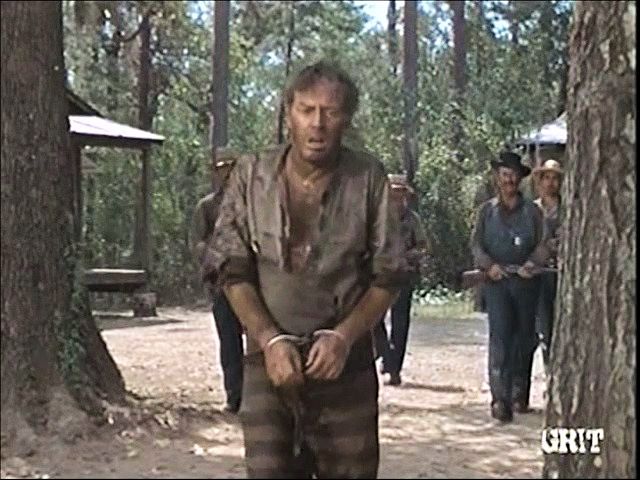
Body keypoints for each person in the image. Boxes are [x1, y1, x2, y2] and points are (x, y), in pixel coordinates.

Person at [201, 61, 413, 478]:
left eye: (330, 112)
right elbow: (230, 269)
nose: (317, 124)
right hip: (268, 366)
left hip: (345, 368)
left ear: (346, 119)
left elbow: (389, 274)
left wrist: (344, 337)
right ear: (288, 113)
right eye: (306, 109)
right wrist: (268, 338)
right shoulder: (252, 175)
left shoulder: (367, 178)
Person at [470, 151, 550, 423]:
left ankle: (519, 394)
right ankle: (500, 398)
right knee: (500, 338)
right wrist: (489, 266)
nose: (510, 180)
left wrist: (532, 263)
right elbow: (476, 245)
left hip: (526, 283)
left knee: (525, 338)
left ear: (520, 179)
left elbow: (544, 244)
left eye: (514, 175)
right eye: (505, 174)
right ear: (498, 177)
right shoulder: (486, 212)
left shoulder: (533, 212)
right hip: (497, 284)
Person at [192, 148, 244, 414]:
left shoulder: (252, 205)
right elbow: (198, 243)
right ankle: (235, 396)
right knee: (230, 342)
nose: (226, 174)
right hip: (222, 285)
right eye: (221, 169)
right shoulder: (207, 207)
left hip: (254, 284)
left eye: (231, 168)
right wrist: (214, 260)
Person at [374, 173, 427, 386]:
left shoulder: (413, 220)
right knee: (374, 320)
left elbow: (423, 247)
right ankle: (386, 356)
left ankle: (394, 368)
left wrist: (408, 256)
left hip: (404, 275)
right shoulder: (378, 218)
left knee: (400, 323)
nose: (397, 198)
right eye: (393, 193)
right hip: (379, 276)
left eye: (400, 193)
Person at [532, 159, 563, 370]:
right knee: (545, 326)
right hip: (540, 273)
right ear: (541, 181)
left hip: (563, 272)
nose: (550, 183)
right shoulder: (532, 210)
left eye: (555, 178)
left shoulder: (569, 209)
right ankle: (550, 370)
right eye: (547, 178)